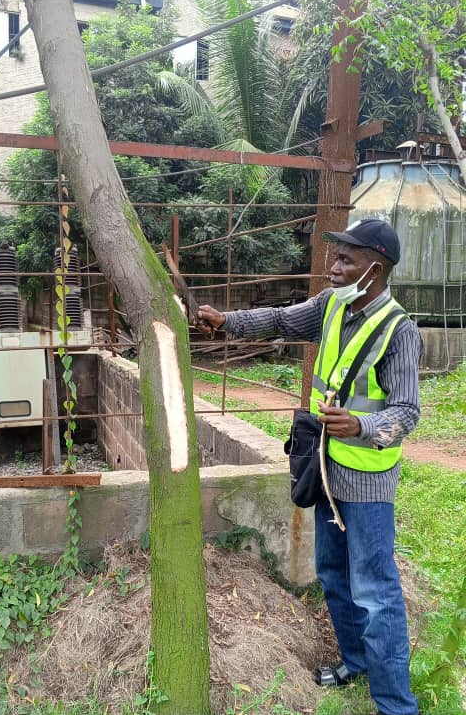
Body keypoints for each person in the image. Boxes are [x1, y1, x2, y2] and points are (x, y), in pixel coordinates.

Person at [196, 219, 423, 715]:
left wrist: (360, 426)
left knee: (375, 590)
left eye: (346, 259)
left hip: (368, 480)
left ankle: (396, 705)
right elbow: (280, 319)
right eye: (335, 256)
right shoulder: (330, 306)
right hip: (324, 467)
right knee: (332, 573)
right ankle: (356, 661)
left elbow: (407, 412)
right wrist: (226, 321)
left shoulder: (399, 332)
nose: (334, 267)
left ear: (375, 268)